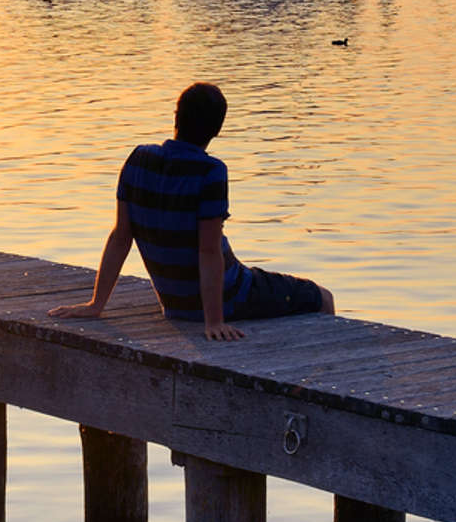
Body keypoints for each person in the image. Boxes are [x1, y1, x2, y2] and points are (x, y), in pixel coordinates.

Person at [50, 82, 335, 343]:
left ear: (176, 117)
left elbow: (120, 237)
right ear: (217, 130)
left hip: (174, 304)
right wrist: (214, 321)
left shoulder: (138, 159)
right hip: (230, 295)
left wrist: (96, 304)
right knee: (320, 296)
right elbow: (208, 251)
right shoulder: (210, 171)